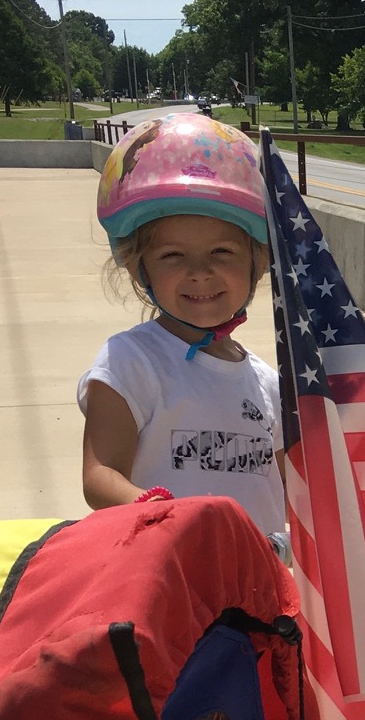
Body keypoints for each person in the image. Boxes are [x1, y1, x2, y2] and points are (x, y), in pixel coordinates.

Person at [79, 113, 286, 537]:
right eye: (172, 255)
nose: (199, 272)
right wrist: (159, 513)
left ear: (259, 263)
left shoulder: (267, 383)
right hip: (170, 577)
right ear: (140, 270)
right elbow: (99, 475)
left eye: (222, 252)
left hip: (255, 588)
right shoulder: (131, 362)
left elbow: (291, 488)